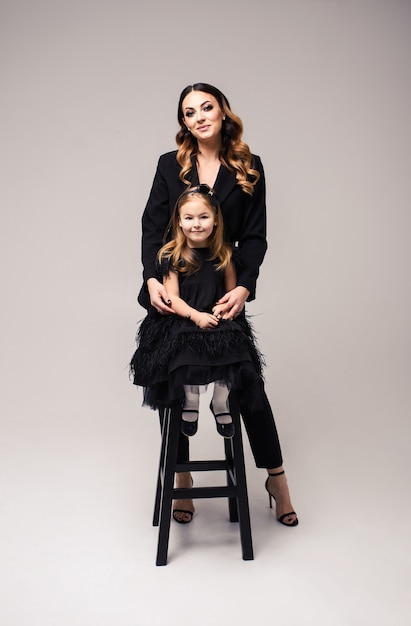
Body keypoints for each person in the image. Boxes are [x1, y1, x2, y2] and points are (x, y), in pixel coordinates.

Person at [136, 82, 298, 527]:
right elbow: (153, 228)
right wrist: (152, 280)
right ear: (183, 123)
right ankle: (182, 478)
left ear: (224, 112)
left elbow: (256, 236)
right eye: (190, 112)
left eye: (207, 107)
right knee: (172, 380)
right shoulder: (169, 166)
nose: (200, 116)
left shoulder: (250, 166)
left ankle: (277, 479)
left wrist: (244, 287)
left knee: (250, 386)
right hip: (174, 293)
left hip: (223, 292)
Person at [131, 185, 266, 442]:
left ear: (215, 221)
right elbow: (173, 299)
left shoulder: (225, 255)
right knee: (185, 353)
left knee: (236, 352)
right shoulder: (172, 256)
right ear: (179, 223)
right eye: (189, 218)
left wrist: (221, 311)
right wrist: (196, 316)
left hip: (216, 319)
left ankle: (220, 401)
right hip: (185, 319)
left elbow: (230, 293)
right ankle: (190, 401)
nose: (196, 224)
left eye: (203, 217)